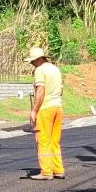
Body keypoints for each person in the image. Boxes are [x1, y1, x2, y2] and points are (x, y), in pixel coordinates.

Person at [25, 47, 65, 180]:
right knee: (55, 141)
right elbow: (61, 90)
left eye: (32, 61)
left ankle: (46, 172)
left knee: (43, 141)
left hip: (45, 109)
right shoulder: (55, 69)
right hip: (58, 107)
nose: (31, 63)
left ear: (38, 59)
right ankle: (58, 169)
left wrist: (34, 110)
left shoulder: (40, 70)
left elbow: (40, 91)